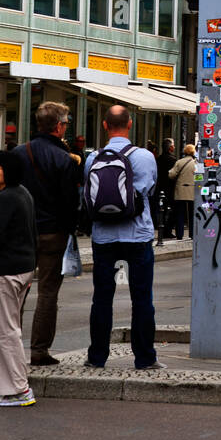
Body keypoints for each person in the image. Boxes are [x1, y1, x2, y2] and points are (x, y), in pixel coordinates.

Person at [84, 105, 162, 371]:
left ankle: (97, 358)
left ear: (105, 126)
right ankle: (145, 358)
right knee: (142, 298)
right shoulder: (144, 156)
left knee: (102, 298)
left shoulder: (93, 158)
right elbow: (149, 189)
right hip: (138, 234)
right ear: (130, 125)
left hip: (103, 236)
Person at [11, 101, 79, 366]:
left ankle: (9, 346)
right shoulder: (64, 159)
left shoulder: (17, 153)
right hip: (52, 232)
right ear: (59, 126)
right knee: (48, 292)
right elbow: (70, 202)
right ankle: (39, 350)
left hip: (22, 233)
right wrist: (69, 228)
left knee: (17, 291)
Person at [0, 151, 38, 407]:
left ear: (7, 170)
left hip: (8, 268)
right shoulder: (23, 193)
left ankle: (18, 388)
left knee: (6, 330)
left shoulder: (5, 198)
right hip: (22, 266)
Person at [168, 142, 197, 241]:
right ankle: (192, 234)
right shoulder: (196, 163)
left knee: (179, 213)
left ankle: (179, 234)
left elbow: (171, 175)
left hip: (180, 190)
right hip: (192, 190)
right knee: (192, 213)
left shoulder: (179, 162)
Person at [156, 138, 177, 238]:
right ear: (171, 148)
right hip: (170, 188)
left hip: (159, 187)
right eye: (173, 145)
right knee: (170, 210)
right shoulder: (173, 160)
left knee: (161, 209)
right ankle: (167, 230)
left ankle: (161, 228)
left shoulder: (158, 159)